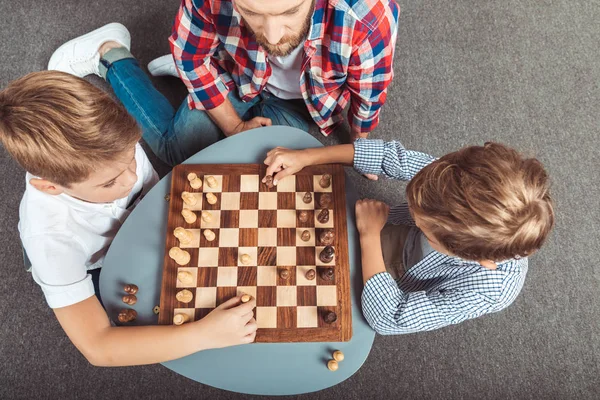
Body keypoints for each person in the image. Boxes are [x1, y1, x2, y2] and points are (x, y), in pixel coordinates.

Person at [0, 71, 257, 366]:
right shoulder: (51, 240)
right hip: (97, 260)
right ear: (50, 187)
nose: (132, 178)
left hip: (143, 220)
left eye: (131, 156)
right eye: (110, 183)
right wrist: (203, 335)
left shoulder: (110, 146)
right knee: (140, 317)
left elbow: (138, 180)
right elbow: (98, 346)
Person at [262, 139, 555, 334]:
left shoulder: (490, 291)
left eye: (422, 223)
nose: (412, 211)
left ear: (475, 257)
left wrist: (369, 236)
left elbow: (389, 318)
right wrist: (307, 156)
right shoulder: (455, 181)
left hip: (394, 276)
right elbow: (392, 157)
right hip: (380, 228)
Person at [148, 0, 399, 143]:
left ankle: (196, 76)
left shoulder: (368, 17)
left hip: (300, 102)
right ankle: (115, 57)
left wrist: (360, 139)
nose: (272, 36)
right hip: (236, 74)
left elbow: (369, 92)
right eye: (251, 12)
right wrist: (233, 127)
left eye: (289, 12)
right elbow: (191, 58)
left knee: (264, 170)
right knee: (182, 149)